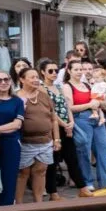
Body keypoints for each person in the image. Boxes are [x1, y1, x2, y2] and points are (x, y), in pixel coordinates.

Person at [62, 60, 106, 197]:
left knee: (104, 148)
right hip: (81, 118)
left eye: (81, 69)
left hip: (96, 117)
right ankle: (87, 181)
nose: (80, 72)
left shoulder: (87, 84)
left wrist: (99, 103)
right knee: (84, 151)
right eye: (76, 69)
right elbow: (69, 108)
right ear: (69, 71)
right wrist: (89, 105)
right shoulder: (67, 86)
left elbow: (97, 100)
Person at [39, 58, 81, 200]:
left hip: (67, 126)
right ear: (43, 72)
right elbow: (50, 111)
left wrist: (71, 122)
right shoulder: (41, 88)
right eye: (50, 71)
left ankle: (82, 187)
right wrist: (64, 124)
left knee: (72, 158)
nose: (54, 73)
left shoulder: (59, 87)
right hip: (53, 127)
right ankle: (53, 193)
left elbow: (66, 106)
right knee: (53, 161)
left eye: (56, 70)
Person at [15, 67, 57, 204]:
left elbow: (53, 118)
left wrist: (57, 139)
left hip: (45, 141)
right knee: (23, 172)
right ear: (22, 80)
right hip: (25, 142)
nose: (36, 80)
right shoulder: (16, 97)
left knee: (41, 171)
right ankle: (18, 205)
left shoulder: (44, 96)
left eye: (37, 77)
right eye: (32, 77)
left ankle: (39, 204)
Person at [0, 71, 24, 206]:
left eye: (6, 79)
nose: (3, 82)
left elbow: (16, 125)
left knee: (9, 176)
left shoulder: (17, 101)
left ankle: (6, 206)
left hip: (11, 143)